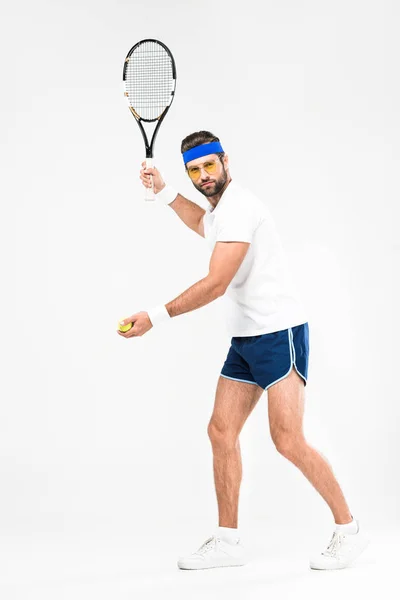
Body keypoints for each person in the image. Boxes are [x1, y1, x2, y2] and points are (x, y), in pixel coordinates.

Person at [117, 130, 369, 571]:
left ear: (225, 160)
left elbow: (215, 284)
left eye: (208, 165)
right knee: (220, 431)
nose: (203, 176)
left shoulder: (242, 207)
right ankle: (228, 540)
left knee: (287, 439)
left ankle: (349, 529)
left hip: (278, 333)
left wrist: (154, 317)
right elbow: (203, 223)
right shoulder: (221, 211)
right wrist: (164, 192)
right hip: (246, 338)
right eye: (194, 170)